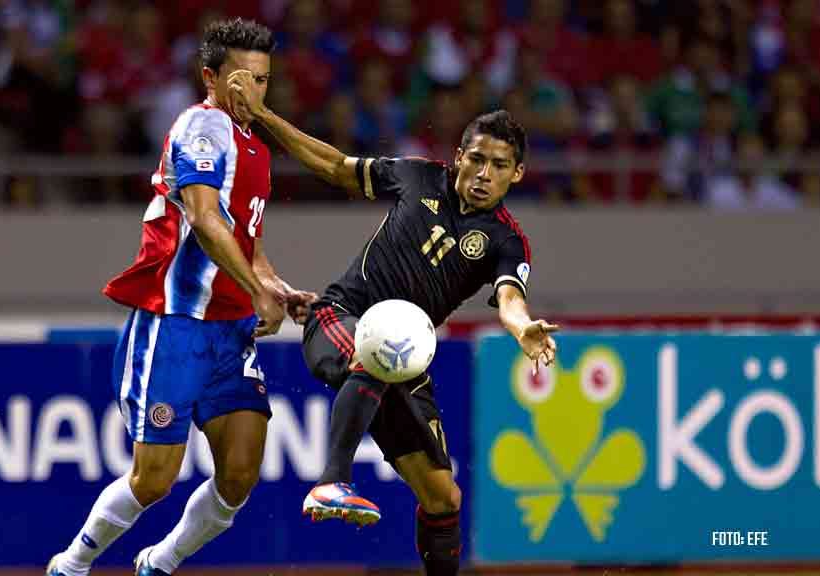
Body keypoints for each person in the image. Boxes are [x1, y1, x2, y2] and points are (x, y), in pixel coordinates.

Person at [229, 72, 559, 576]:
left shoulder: (505, 242)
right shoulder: (418, 177)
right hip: (338, 319)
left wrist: (523, 327)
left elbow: (510, 299)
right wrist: (264, 115)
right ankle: (331, 480)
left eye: (498, 165)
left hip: (402, 362)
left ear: (516, 174)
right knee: (380, 347)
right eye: (476, 158)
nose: (483, 173)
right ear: (458, 155)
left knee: (444, 496)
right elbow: (336, 166)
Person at [46, 18, 316, 576]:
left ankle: (159, 564)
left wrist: (275, 289)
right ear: (211, 77)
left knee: (240, 474)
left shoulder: (257, 150)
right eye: (243, 79)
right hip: (175, 327)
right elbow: (203, 218)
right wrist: (253, 290)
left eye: (263, 81)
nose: (254, 92)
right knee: (154, 480)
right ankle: (71, 566)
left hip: (230, 331)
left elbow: (247, 244)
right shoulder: (201, 127)